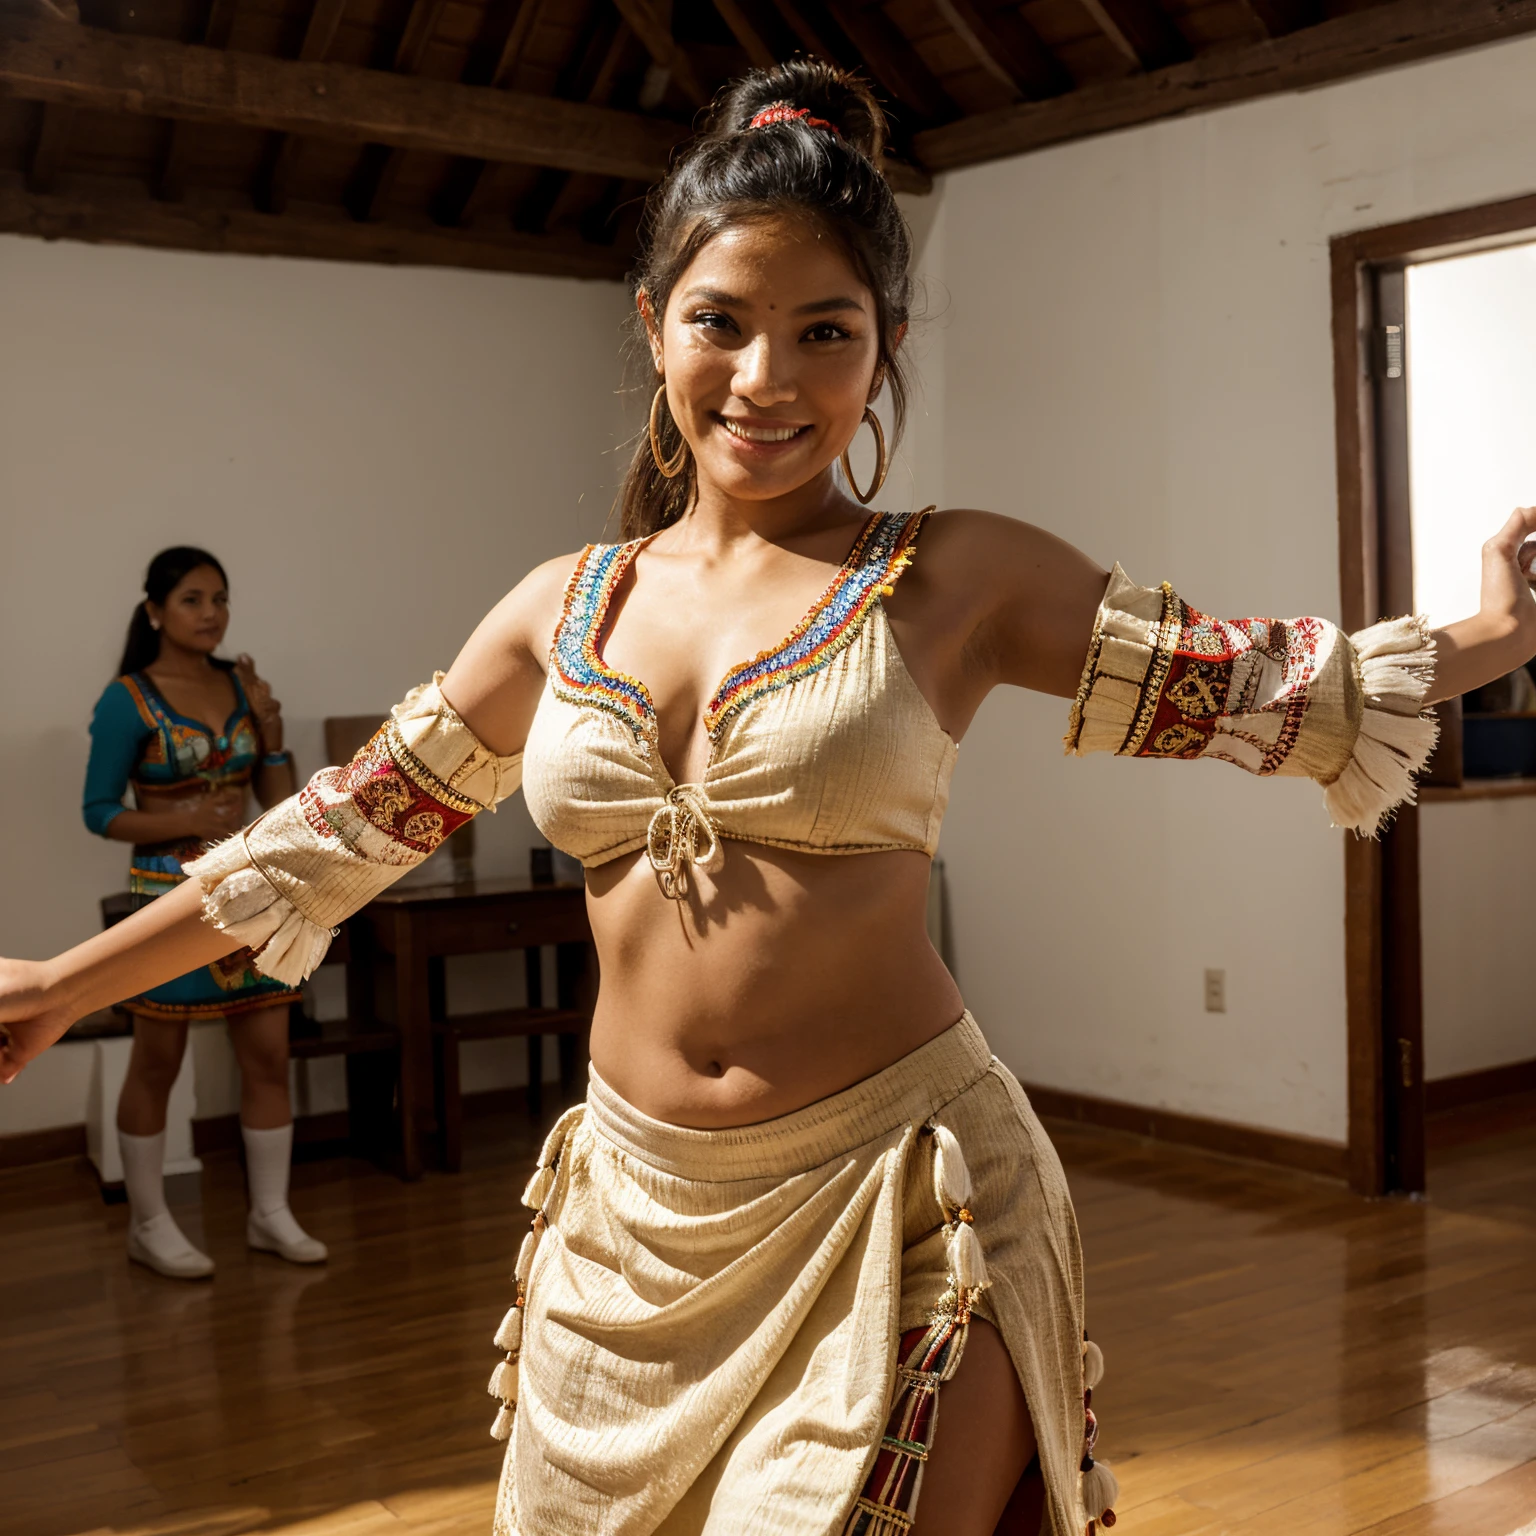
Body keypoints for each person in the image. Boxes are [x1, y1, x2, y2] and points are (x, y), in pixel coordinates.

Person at [3, 62, 1533, 1536]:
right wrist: (62, 991)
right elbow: (328, 839)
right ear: (657, 327)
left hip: (903, 1200)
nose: (767, 380)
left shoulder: (955, 576)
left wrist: (1494, 634)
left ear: (885, 346)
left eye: (825, 332)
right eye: (722, 324)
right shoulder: (560, 610)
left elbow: (1247, 681)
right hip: (627, 1232)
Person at [81, 546, 327, 1279]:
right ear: (154, 610)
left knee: (268, 1056)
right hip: (166, 897)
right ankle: (149, 1224)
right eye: (192, 599)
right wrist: (186, 815)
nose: (211, 614)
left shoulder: (241, 684)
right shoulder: (127, 698)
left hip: (253, 893)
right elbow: (98, 812)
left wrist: (273, 741)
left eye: (219, 599)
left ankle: (270, 1213)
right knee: (157, 1062)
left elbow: (277, 808)